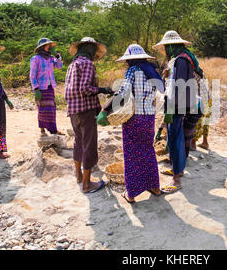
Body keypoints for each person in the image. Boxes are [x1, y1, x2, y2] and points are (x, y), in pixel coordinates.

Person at [97, 44, 164, 203]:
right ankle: (154, 187)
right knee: (148, 150)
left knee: (132, 154)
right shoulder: (153, 72)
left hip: (134, 119)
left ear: (131, 59)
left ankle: (131, 194)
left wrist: (105, 110)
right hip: (149, 118)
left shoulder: (132, 71)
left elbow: (123, 93)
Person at [152, 31, 202, 194]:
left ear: (173, 46)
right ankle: (176, 169)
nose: (166, 50)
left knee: (174, 139)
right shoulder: (184, 59)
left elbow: (177, 87)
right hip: (180, 104)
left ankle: (176, 179)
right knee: (176, 137)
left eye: (167, 47)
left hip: (176, 105)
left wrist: (170, 108)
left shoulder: (180, 61)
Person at [64, 37, 113, 193]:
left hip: (73, 110)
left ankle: (79, 175)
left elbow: (72, 89)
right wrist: (103, 90)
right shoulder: (87, 64)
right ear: (90, 49)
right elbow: (85, 88)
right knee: (89, 145)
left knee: (79, 141)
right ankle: (87, 184)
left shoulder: (72, 65)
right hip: (85, 110)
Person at [30, 38, 64, 136]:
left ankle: (53, 129)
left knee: (51, 109)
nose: (50, 47)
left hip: (50, 87)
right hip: (40, 88)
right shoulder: (35, 59)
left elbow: (59, 66)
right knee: (42, 109)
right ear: (42, 47)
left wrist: (57, 55)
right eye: (48, 46)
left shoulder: (51, 59)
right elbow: (32, 75)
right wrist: (36, 89)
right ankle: (42, 130)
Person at [190, 69, 212, 151]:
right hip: (208, 99)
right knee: (206, 121)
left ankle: (193, 143)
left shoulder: (192, 74)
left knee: (197, 121)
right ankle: (205, 142)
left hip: (201, 100)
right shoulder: (201, 73)